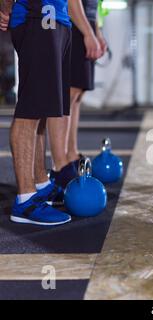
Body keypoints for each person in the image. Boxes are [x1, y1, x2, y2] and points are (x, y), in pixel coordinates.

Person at [0, 0, 75, 225]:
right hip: (37, 14)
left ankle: (41, 184)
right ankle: (26, 199)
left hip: (57, 16)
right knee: (30, 110)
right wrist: (5, 6)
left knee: (42, 108)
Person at [65, 0, 106, 166]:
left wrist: (97, 33)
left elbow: (92, 6)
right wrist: (89, 33)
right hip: (74, 24)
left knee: (78, 94)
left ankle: (71, 153)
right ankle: (61, 163)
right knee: (69, 94)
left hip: (85, 23)